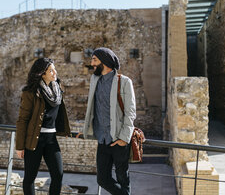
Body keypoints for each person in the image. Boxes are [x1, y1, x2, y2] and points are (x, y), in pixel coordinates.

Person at [83, 47, 136, 195]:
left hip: (119, 139)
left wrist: (124, 138)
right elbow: (93, 108)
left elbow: (130, 112)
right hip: (102, 139)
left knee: (122, 179)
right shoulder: (95, 80)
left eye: (95, 60)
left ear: (105, 61)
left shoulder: (124, 82)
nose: (92, 62)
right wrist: (86, 130)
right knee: (102, 179)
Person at [15, 58, 71, 195]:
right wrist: (19, 146)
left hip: (51, 139)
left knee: (58, 174)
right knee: (30, 177)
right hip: (35, 140)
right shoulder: (30, 92)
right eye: (51, 70)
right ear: (42, 73)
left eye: (54, 69)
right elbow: (22, 119)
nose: (54, 73)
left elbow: (60, 114)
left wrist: (65, 130)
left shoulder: (57, 89)